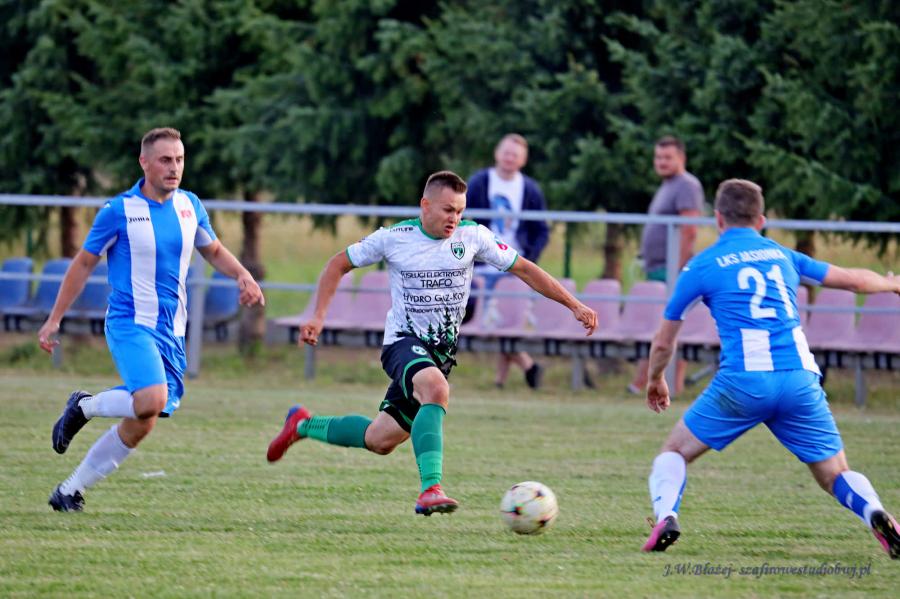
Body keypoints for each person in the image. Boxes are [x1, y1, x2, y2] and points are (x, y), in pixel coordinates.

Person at [267, 170, 596, 516]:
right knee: (436, 389)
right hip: (402, 343)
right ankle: (431, 490)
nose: (455, 218)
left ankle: (302, 424)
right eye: (447, 210)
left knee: (380, 440)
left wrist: (574, 304)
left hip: (440, 353)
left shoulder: (473, 236)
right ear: (425, 205)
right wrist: (318, 316)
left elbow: (525, 269)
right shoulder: (395, 238)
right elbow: (338, 264)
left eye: (460, 211)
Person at [640, 178, 900, 558]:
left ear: (718, 218)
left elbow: (664, 341)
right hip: (799, 379)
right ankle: (875, 511)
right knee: (835, 473)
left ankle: (666, 516)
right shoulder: (784, 255)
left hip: (743, 383)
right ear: (761, 220)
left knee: (675, 451)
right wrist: (891, 284)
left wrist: (655, 379)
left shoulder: (702, 265)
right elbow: (853, 281)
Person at [38, 127, 265, 512]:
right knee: (151, 398)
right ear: (144, 163)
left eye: (179, 159)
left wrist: (242, 275)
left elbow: (213, 250)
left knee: (144, 418)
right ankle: (85, 407)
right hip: (130, 323)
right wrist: (54, 318)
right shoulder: (119, 210)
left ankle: (70, 490)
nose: (174, 167)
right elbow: (83, 264)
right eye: (165, 160)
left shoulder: (190, 205)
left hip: (171, 329)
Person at [466, 133, 550, 389]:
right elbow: (463, 218)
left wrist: (529, 260)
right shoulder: (480, 182)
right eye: (506, 152)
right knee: (493, 320)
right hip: (482, 264)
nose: (510, 158)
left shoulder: (530, 189)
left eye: (516, 154)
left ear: (523, 160)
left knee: (506, 320)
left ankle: (502, 380)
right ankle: (527, 366)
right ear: (497, 153)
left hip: (514, 264)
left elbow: (541, 230)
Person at [629, 135, 704, 395]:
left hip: (671, 270)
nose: (661, 162)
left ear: (681, 158)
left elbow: (689, 229)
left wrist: (678, 269)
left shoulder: (687, 185)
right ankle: (645, 381)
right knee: (659, 326)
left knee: (671, 326)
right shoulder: (667, 185)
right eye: (658, 157)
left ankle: (671, 385)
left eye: (667, 157)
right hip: (657, 268)